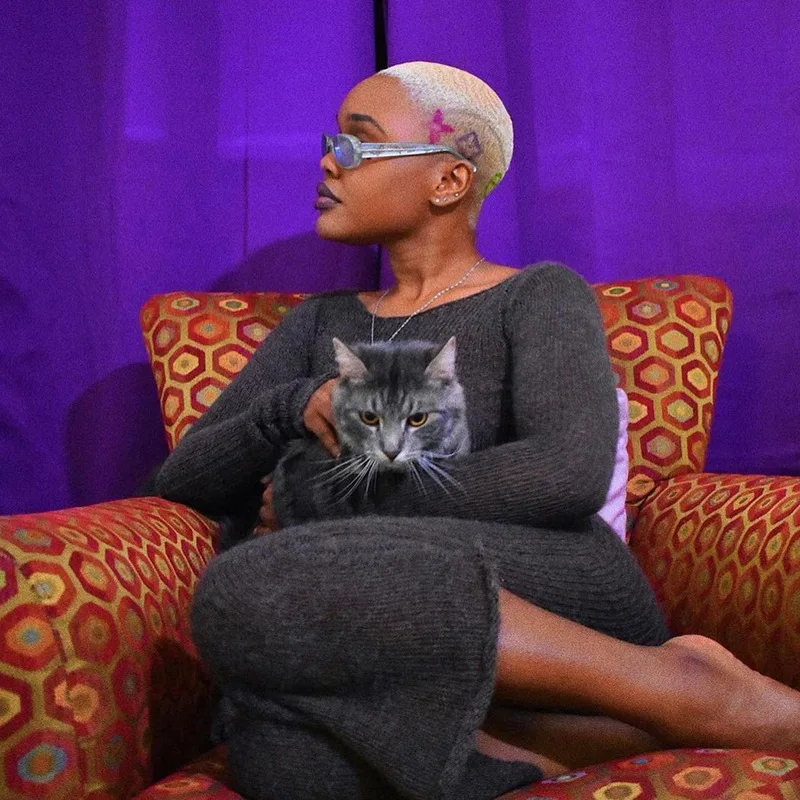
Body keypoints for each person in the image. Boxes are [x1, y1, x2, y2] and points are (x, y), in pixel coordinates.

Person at [154, 62, 800, 800]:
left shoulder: (537, 295)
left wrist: (326, 502)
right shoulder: (317, 324)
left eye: (356, 144)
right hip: (370, 609)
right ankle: (588, 736)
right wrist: (293, 404)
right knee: (282, 764)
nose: (329, 162)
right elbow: (180, 481)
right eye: (330, 143)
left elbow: (566, 472)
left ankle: (684, 689)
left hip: (554, 580)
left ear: (448, 181)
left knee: (244, 585)